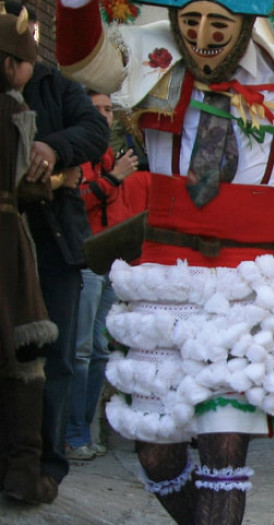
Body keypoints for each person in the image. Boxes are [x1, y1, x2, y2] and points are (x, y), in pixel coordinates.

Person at [55, 0, 274, 522]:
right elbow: (80, 58)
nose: (201, 35)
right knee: (157, 452)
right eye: (190, 21)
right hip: (162, 279)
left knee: (224, 444)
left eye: (218, 23)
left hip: (246, 281)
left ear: (244, 24)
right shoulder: (149, 51)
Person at [11, 0, 111, 495]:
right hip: (7, 244)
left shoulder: (59, 87)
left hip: (53, 245)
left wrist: (52, 149)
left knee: (57, 358)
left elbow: (96, 130)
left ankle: (47, 465)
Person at [0, 5, 60, 504]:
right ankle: (23, 473)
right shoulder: (13, 109)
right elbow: (23, 182)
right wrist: (53, 182)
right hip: (5, 242)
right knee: (24, 355)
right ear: (8, 65)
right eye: (24, 62)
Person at [66, 90, 140, 461]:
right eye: (97, 110)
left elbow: (125, 212)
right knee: (80, 351)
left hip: (111, 266)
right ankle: (72, 434)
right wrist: (112, 178)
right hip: (85, 263)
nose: (105, 116)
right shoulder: (79, 158)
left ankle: (85, 431)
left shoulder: (115, 158)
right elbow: (76, 201)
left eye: (109, 110)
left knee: (98, 351)